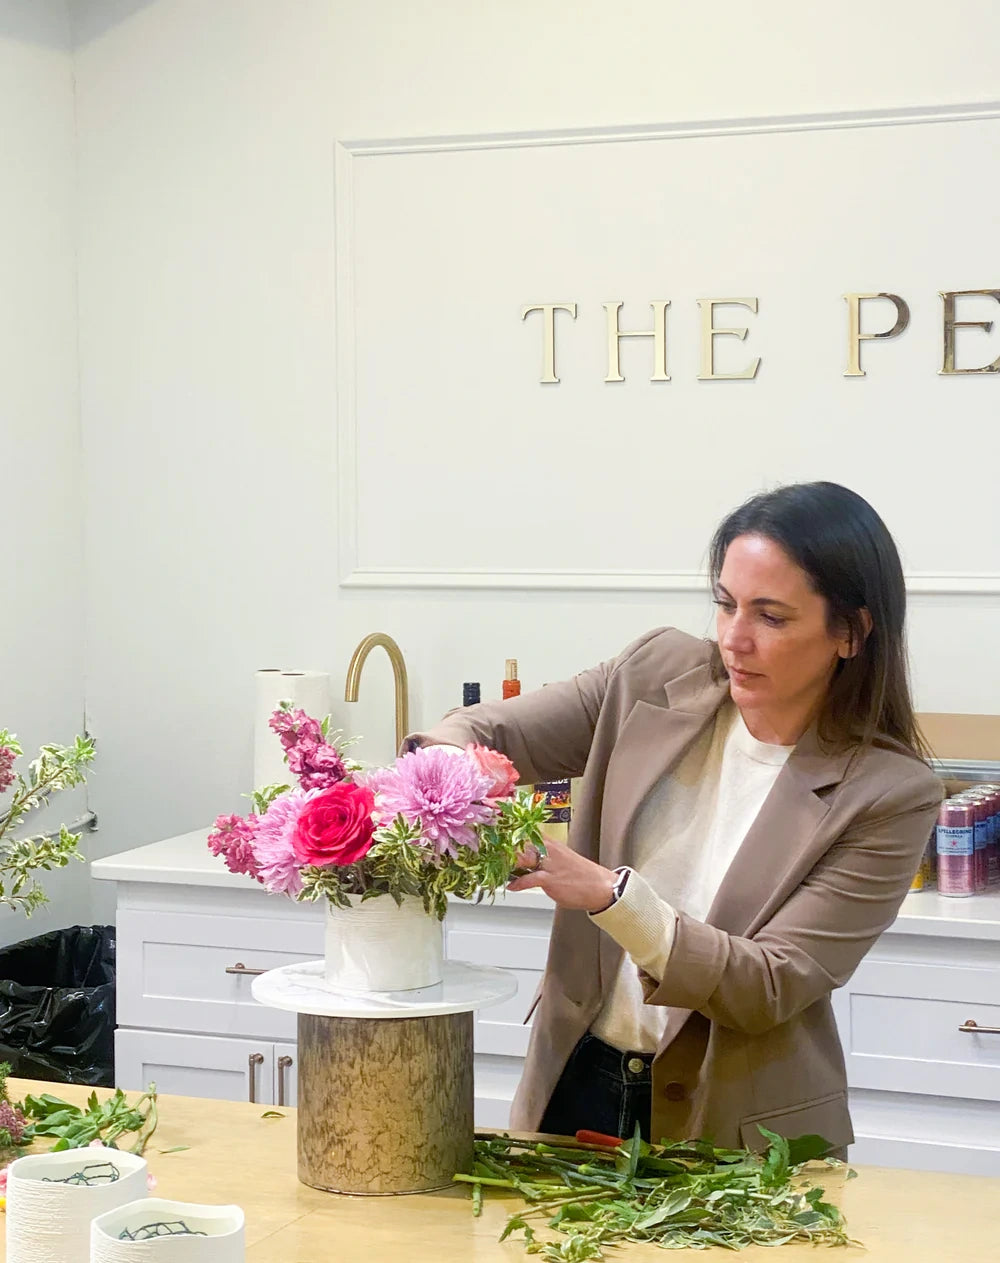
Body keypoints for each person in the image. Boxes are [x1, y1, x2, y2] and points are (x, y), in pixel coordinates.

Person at [405, 482, 942, 1153]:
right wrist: (456, 772)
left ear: (851, 632)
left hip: (743, 1128)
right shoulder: (652, 674)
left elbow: (768, 983)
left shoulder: (889, 793)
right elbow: (480, 728)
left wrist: (611, 896)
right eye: (725, 604)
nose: (734, 640)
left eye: (772, 617)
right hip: (575, 1082)